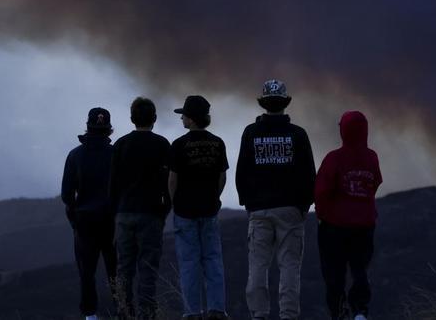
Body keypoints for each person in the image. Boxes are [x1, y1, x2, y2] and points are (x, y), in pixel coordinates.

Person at [235, 79, 316, 320]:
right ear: (285, 103)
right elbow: (309, 173)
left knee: (258, 266)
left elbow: (242, 172)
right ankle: (288, 316)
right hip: (290, 210)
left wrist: (249, 204)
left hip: (260, 210)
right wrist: (303, 206)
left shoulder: (251, 132)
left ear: (263, 103)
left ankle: (259, 315)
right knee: (289, 266)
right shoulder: (298, 134)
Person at [314, 111, 382, 320]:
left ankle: (339, 312)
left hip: (334, 227)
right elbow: (375, 183)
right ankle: (360, 310)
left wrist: (322, 215)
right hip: (364, 226)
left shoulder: (334, 158)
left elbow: (321, 191)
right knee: (360, 269)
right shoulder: (371, 157)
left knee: (334, 275)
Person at [169, 95, 231, 320]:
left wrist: (174, 203)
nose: (182, 118)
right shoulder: (218, 143)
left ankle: (192, 312)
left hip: (185, 212)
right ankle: (217, 309)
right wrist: (214, 198)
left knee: (189, 263)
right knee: (213, 259)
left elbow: (173, 180)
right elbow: (222, 177)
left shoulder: (179, 145)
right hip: (210, 209)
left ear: (192, 119)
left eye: (184, 114)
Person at [109, 97, 170, 320]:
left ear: (132, 118)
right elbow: (169, 183)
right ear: (154, 118)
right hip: (152, 213)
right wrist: (165, 211)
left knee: (124, 267)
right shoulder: (163, 145)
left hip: (124, 214)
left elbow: (112, 185)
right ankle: (147, 314)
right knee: (148, 269)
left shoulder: (121, 145)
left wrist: (116, 213)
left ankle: (123, 312)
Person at [61, 107, 118, 320]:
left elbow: (67, 194)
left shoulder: (75, 155)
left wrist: (74, 216)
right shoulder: (116, 154)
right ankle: (121, 310)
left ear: (88, 126)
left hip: (85, 222)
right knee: (116, 271)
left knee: (87, 272)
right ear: (109, 130)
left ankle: (90, 315)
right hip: (112, 221)